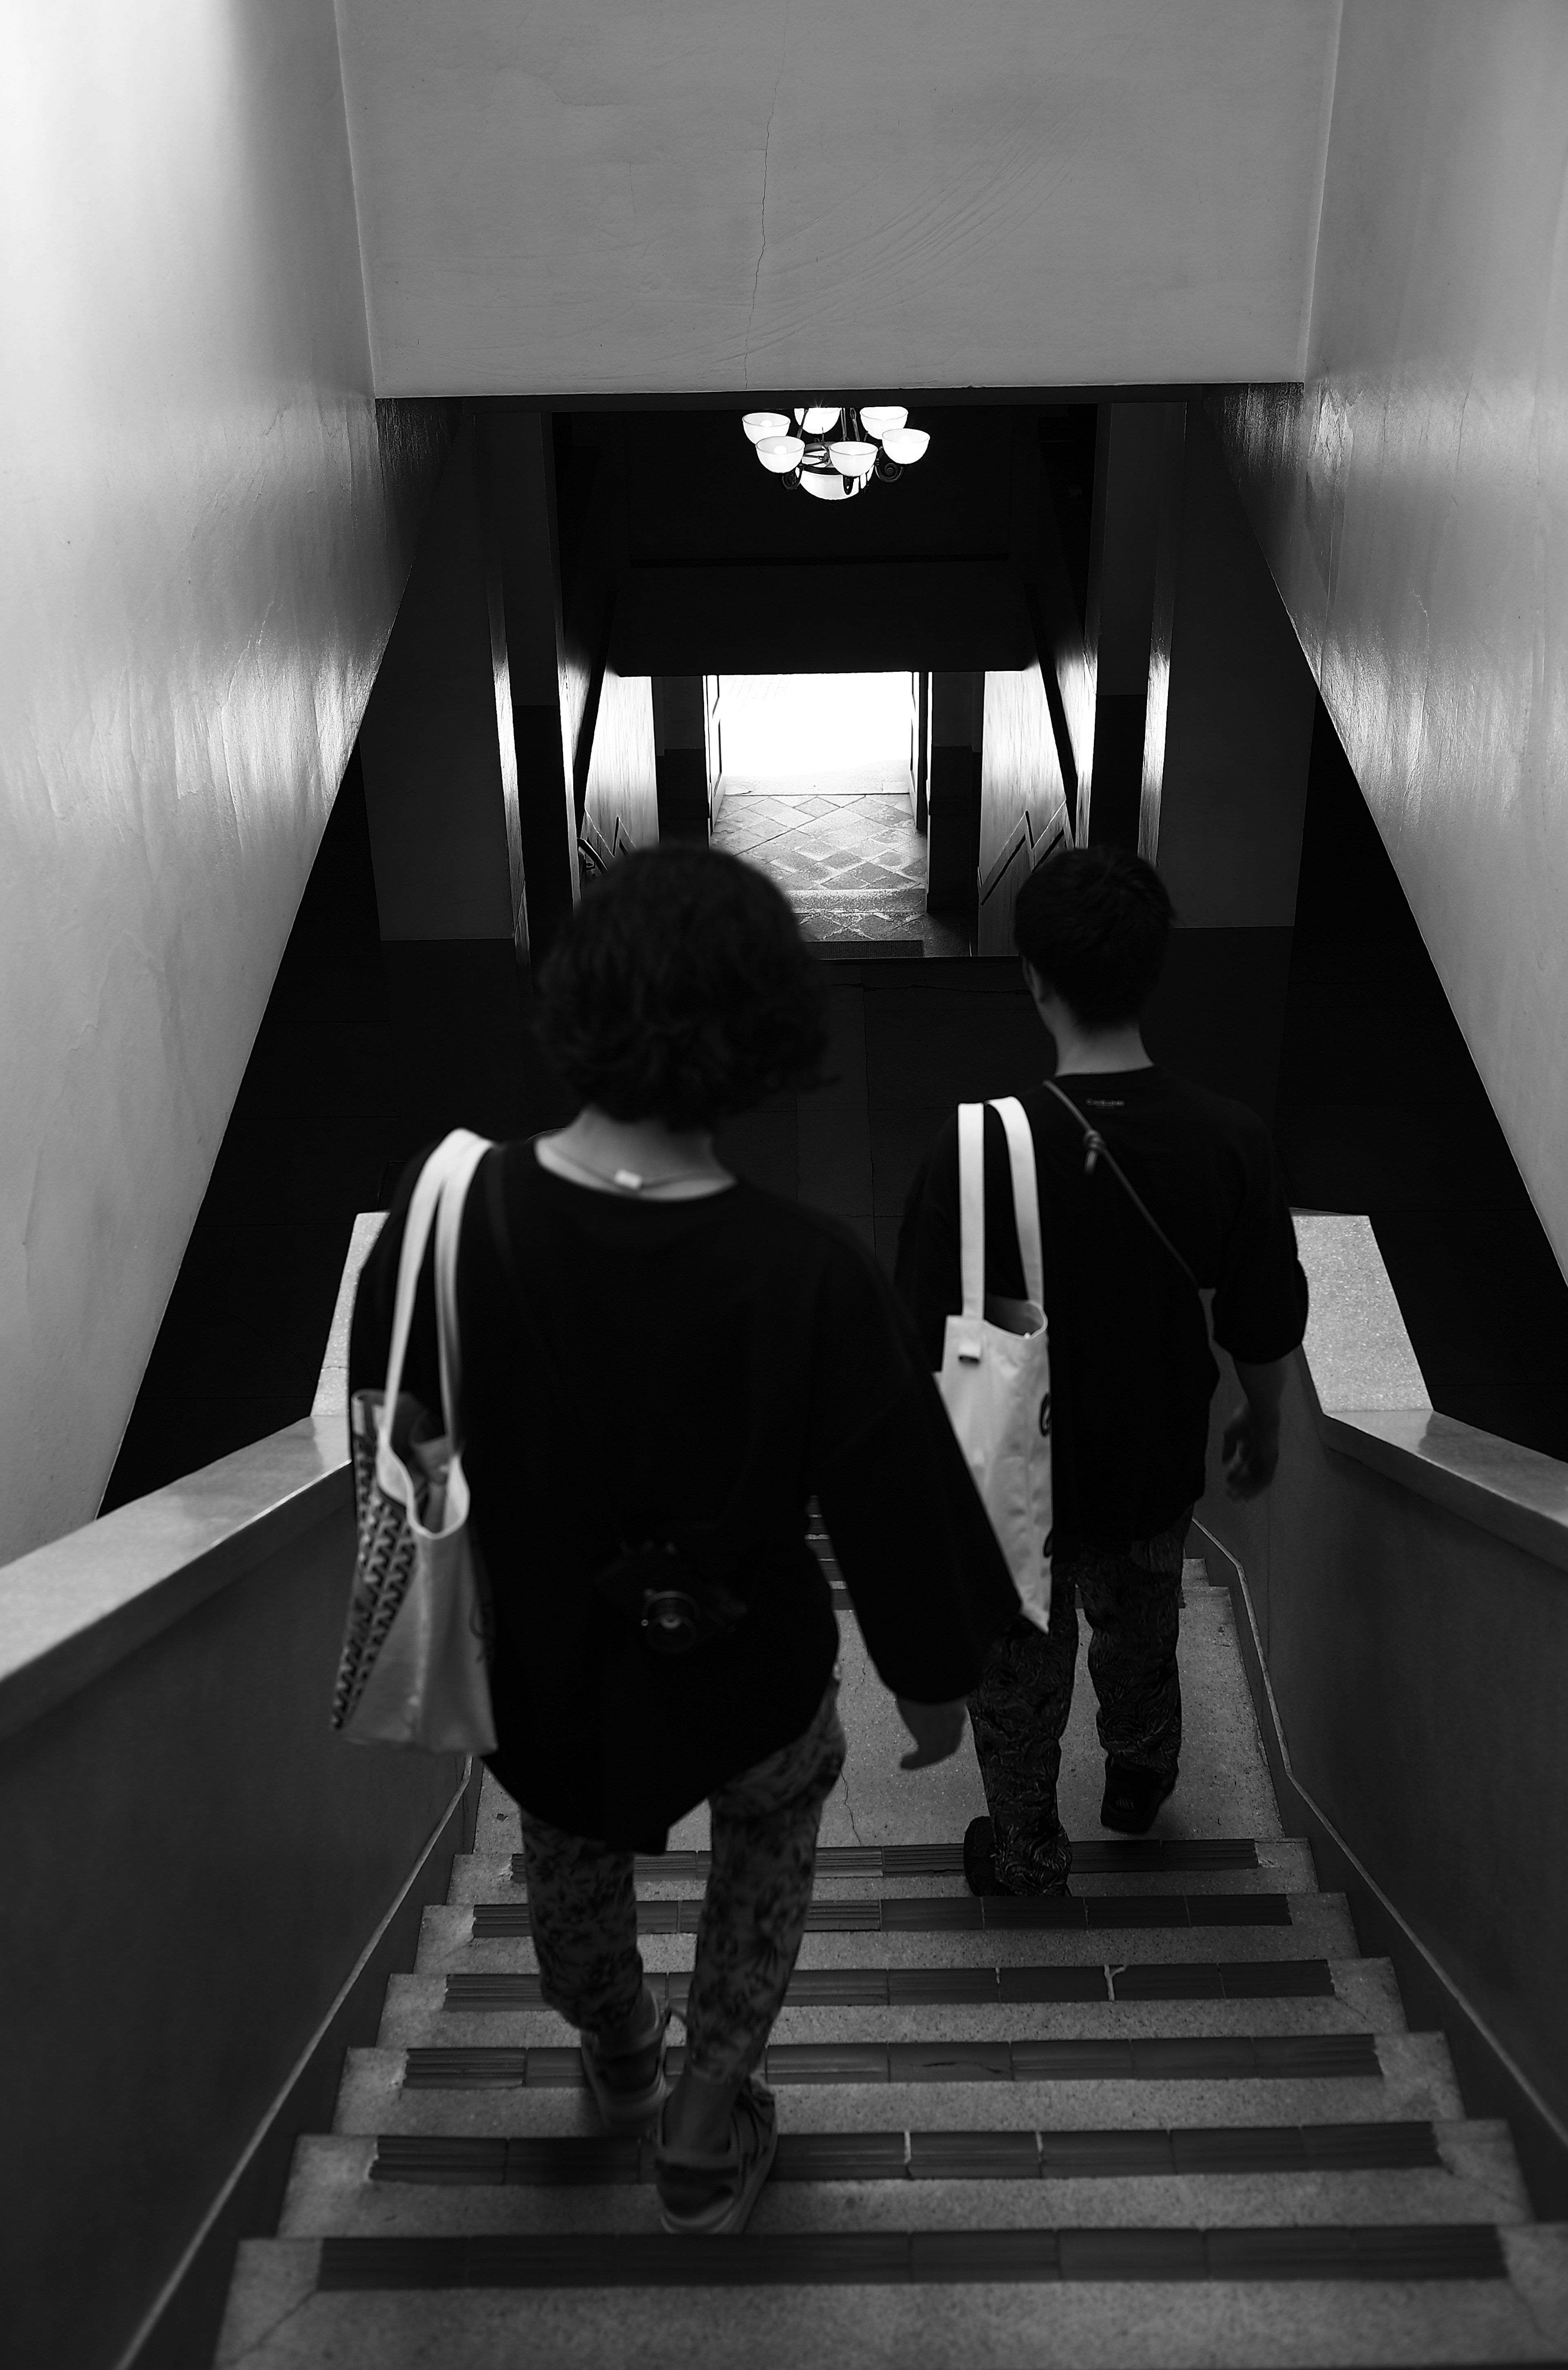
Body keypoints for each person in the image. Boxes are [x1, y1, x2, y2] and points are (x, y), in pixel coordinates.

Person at [349, 844, 1017, 2235]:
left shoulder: (459, 1214)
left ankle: (610, 2038)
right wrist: (933, 1677)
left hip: (547, 1663)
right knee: (769, 1838)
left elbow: (404, 1424)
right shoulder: (809, 1268)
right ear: (766, 1040)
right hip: (747, 1663)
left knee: (567, 1844)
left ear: (577, 1003)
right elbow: (894, 1495)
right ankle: (707, 2118)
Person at [895, 844, 1307, 1896]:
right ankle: (1138, 1781)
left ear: (1034, 975)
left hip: (1011, 1480)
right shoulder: (1231, 1141)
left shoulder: (971, 1147)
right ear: (1152, 968)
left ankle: (1029, 1845)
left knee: (1017, 1671)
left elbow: (916, 1341)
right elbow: (1261, 1321)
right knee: (1144, 1625)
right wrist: (1261, 1423)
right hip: (1153, 1453)